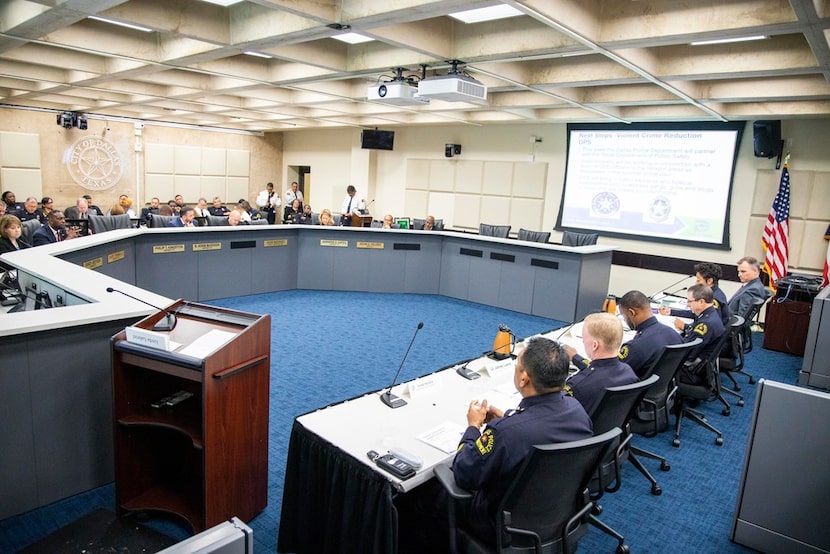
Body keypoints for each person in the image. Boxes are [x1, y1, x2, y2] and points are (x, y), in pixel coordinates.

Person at [450, 337, 593, 542]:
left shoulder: (506, 433)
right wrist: (508, 421)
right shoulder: (577, 409)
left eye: (517, 367)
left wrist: (473, 427)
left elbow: (464, 473)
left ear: (524, 378)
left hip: (502, 527)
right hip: (559, 515)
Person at [563, 312, 638, 414]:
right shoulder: (628, 372)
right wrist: (575, 357)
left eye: (584, 338)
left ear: (595, 345)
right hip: (615, 427)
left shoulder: (577, 385)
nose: (583, 342)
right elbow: (599, 369)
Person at [618, 290, 683, 377]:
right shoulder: (674, 334)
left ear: (631, 313)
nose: (625, 320)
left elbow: (614, 373)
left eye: (624, 316)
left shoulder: (635, 347)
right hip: (663, 387)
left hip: (638, 388)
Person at [678, 283, 725, 385]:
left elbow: (688, 354)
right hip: (701, 368)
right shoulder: (710, 314)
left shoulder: (705, 325)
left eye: (690, 301)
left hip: (691, 372)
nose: (687, 304)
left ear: (701, 302)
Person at [659, 262, 730, 326]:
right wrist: (671, 312)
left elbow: (708, 324)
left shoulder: (713, 300)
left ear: (709, 281)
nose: (696, 283)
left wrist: (684, 327)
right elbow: (697, 313)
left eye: (698, 280)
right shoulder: (715, 292)